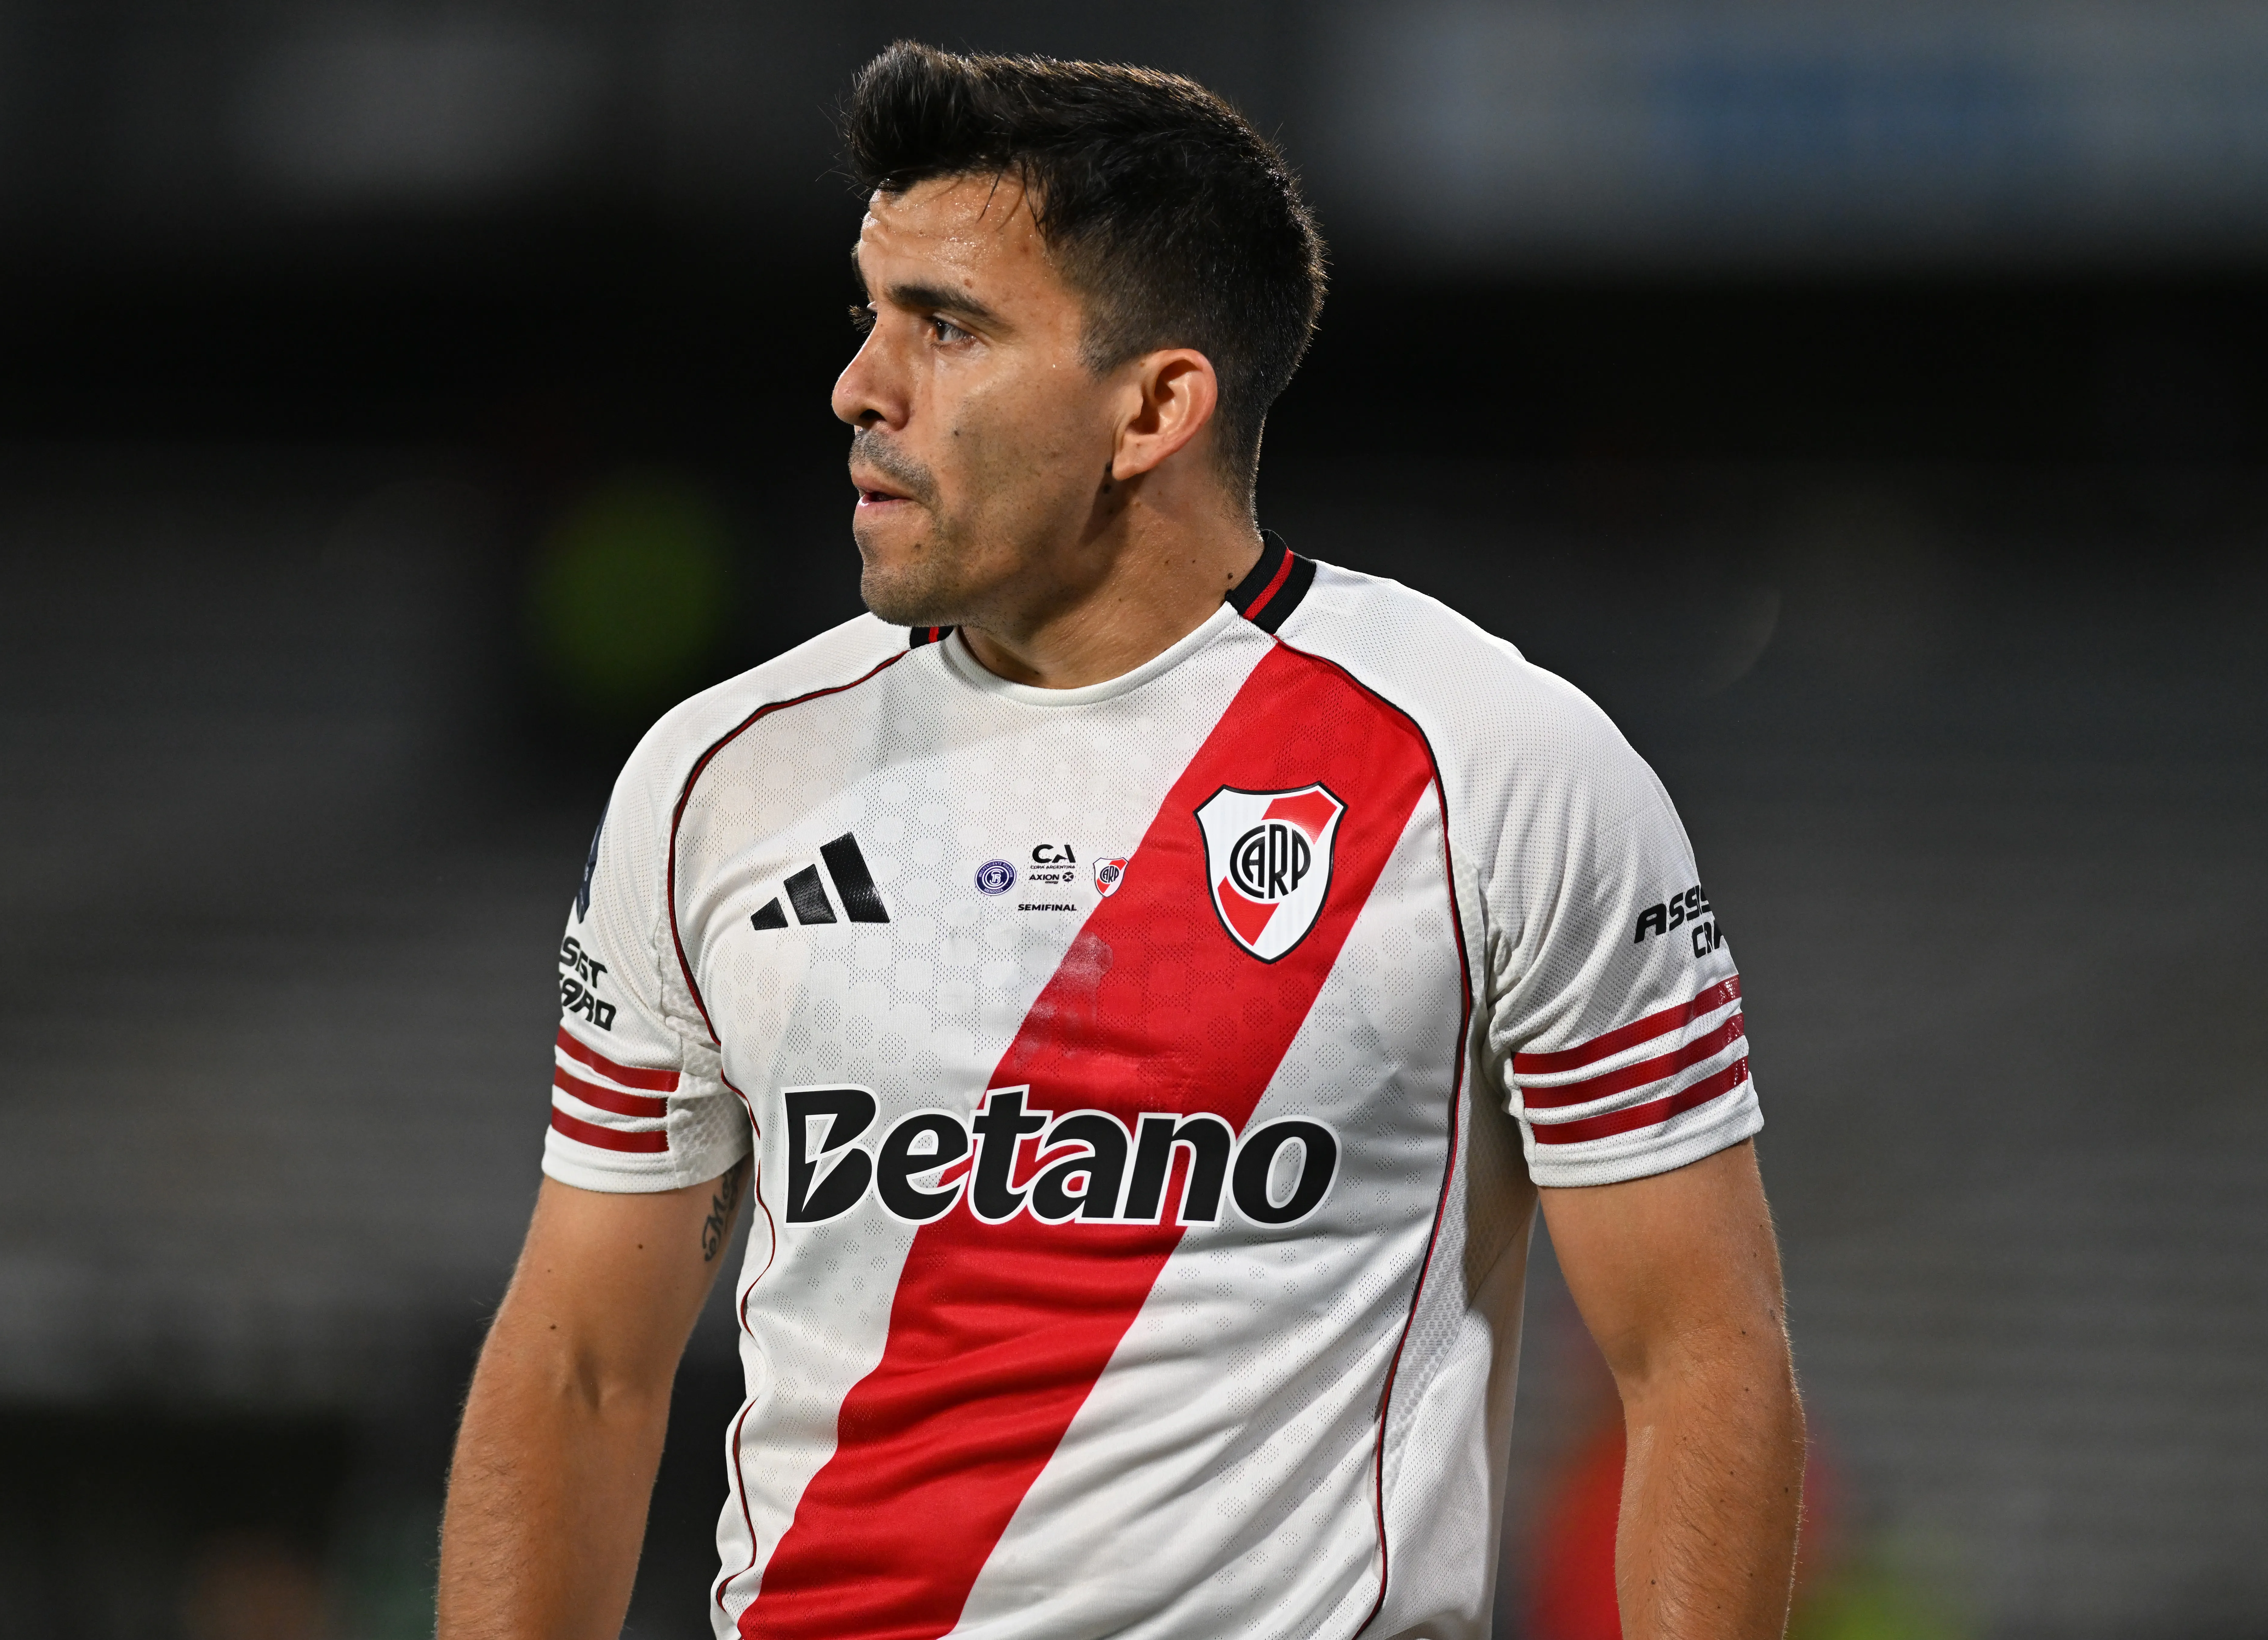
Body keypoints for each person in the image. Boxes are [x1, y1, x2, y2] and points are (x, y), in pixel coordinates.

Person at [438, 41, 1804, 1640]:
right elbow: (583, 1362)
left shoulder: (1499, 771)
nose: (862, 386)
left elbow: (1699, 1357)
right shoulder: (722, 776)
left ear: (1156, 405)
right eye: (869, 318)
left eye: (948, 329)